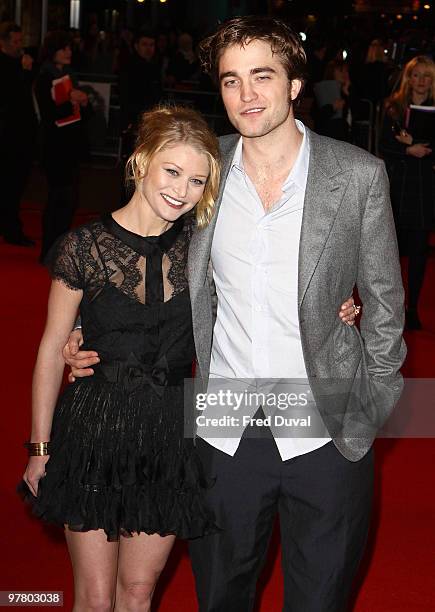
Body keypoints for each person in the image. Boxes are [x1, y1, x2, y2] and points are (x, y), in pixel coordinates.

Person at [63, 16, 402, 612]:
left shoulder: (357, 176)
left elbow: (386, 307)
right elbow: (141, 251)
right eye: (230, 81)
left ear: (294, 83)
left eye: (262, 76)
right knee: (221, 597)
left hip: (326, 430)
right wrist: (88, 331)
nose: (246, 95)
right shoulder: (204, 174)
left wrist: (369, 411)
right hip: (225, 429)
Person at [21, 106, 221, 611]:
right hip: (93, 428)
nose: (182, 189)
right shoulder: (83, 247)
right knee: (93, 596)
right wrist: (40, 447)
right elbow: (51, 348)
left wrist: (341, 307)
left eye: (197, 180)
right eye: (172, 171)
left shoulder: (204, 250)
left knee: (137, 592)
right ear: (141, 162)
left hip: (170, 430)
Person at [379, 55, 435, 330]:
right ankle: (392, 308)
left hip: (426, 184)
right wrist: (406, 149)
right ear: (409, 77)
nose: (422, 81)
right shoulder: (393, 107)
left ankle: (413, 308)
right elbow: (382, 146)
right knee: (391, 252)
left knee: (418, 252)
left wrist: (420, 147)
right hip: (399, 183)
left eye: (427, 76)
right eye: (417, 75)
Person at [35, 30, 89, 262]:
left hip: (70, 144)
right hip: (54, 145)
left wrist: (82, 102)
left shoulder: (69, 75)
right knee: (59, 197)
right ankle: (49, 249)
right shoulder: (45, 76)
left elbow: (80, 114)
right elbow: (49, 114)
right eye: (63, 48)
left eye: (69, 48)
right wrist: (72, 100)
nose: (68, 52)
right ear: (53, 50)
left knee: (69, 199)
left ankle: (57, 248)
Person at [0, 21, 37, 246]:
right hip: (7, 135)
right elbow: (12, 96)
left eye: (20, 40)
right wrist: (24, 72)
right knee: (10, 184)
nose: (19, 45)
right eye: (15, 41)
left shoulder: (17, 64)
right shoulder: (7, 66)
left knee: (15, 184)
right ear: (3, 43)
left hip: (19, 134)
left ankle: (9, 225)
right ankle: (11, 228)